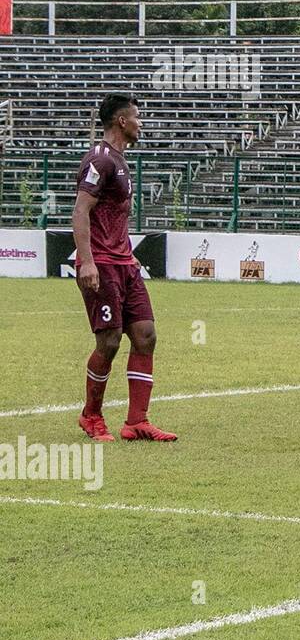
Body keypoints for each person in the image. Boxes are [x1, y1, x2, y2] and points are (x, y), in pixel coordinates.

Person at [72, 93, 176, 442]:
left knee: (145, 335)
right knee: (110, 341)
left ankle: (136, 421)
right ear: (121, 121)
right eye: (137, 117)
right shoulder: (99, 159)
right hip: (100, 263)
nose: (140, 123)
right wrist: (86, 260)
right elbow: (81, 210)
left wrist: (126, 253)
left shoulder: (120, 160)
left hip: (123, 262)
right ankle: (91, 416)